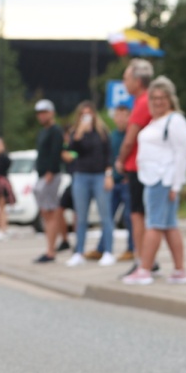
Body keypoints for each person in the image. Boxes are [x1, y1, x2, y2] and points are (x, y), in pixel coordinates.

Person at [122, 76, 186, 286]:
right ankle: (179, 271)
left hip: (164, 180)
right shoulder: (156, 121)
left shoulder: (175, 120)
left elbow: (182, 153)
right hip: (152, 179)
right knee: (169, 225)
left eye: (162, 97)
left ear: (170, 99)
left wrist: (176, 184)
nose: (157, 101)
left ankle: (144, 269)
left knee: (154, 225)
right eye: (153, 97)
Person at [114, 58, 154, 276]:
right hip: (144, 166)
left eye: (126, 78)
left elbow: (129, 140)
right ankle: (148, 259)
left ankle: (142, 260)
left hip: (137, 167)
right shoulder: (145, 100)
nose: (124, 82)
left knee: (137, 215)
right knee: (144, 215)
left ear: (138, 80)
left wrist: (120, 160)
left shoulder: (141, 102)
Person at [63, 101, 116, 267]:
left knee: (105, 216)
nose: (87, 117)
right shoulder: (76, 132)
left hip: (100, 175)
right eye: (83, 114)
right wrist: (79, 133)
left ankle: (108, 251)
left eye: (89, 113)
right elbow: (71, 150)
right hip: (81, 176)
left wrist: (109, 174)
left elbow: (108, 155)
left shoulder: (102, 132)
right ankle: (78, 252)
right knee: (81, 217)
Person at [96, 103, 135, 261]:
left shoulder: (131, 135)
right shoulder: (112, 136)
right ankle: (102, 247)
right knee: (107, 215)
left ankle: (132, 248)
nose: (119, 119)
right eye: (117, 115)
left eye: (123, 115)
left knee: (129, 216)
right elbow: (108, 159)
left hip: (127, 181)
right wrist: (108, 175)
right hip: (113, 181)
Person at [32, 99, 64, 263]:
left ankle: (51, 250)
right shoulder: (43, 132)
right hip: (42, 175)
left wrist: (51, 172)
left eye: (45, 112)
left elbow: (56, 153)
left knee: (50, 211)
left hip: (50, 176)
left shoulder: (55, 131)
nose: (42, 116)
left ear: (51, 113)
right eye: (39, 113)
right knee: (46, 212)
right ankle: (52, 246)